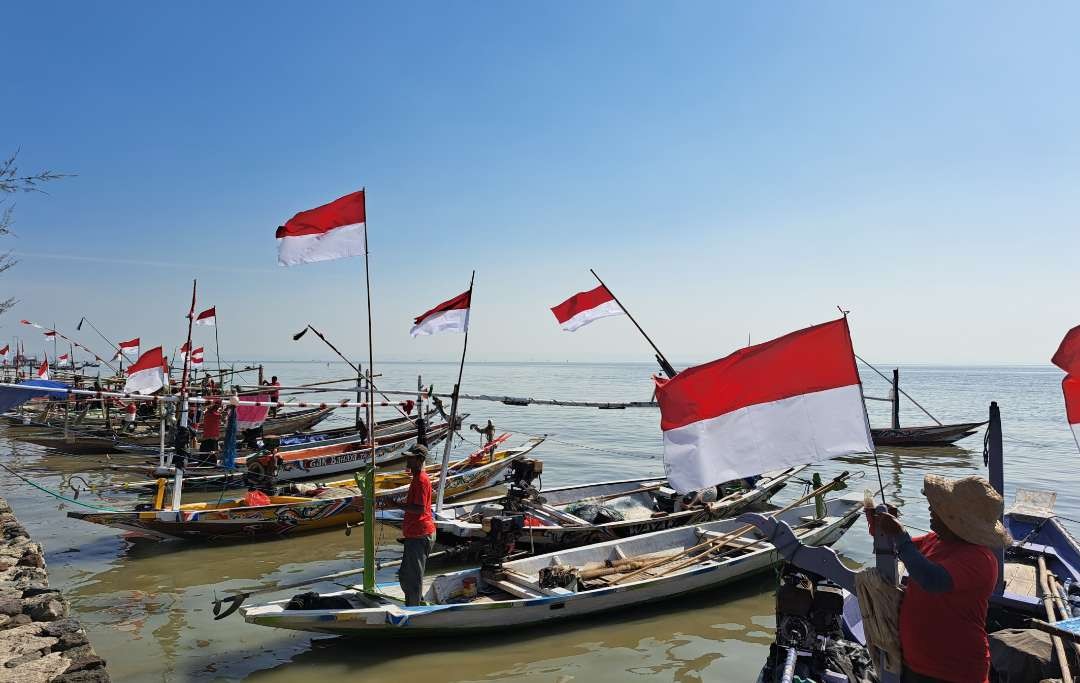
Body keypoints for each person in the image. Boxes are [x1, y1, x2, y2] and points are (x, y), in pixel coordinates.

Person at [872, 475, 1010, 683]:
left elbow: (931, 580)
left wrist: (900, 535)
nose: (930, 509)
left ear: (955, 519)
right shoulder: (935, 539)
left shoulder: (979, 559)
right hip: (915, 663)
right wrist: (882, 523)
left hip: (953, 671)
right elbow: (895, 546)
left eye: (938, 507)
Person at [387, 444, 435, 606]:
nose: (408, 459)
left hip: (420, 534)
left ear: (420, 460)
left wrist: (397, 505)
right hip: (415, 534)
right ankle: (416, 603)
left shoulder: (421, 480)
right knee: (406, 575)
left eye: (411, 458)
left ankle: (413, 611)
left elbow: (419, 508)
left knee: (412, 578)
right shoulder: (417, 478)